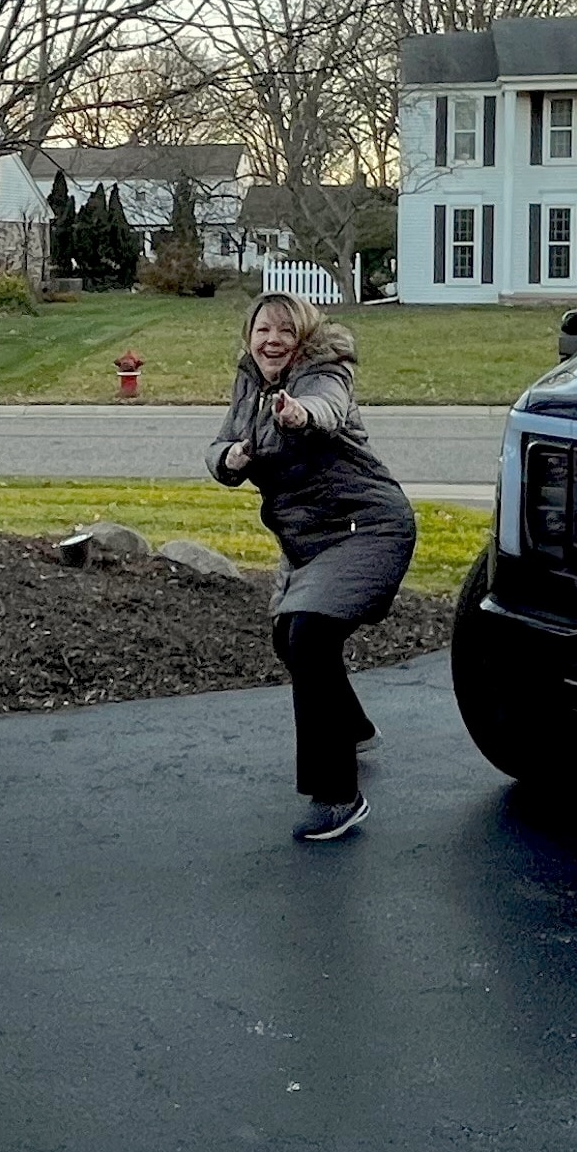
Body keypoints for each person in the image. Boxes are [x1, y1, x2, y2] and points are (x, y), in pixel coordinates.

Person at [206, 290, 417, 844]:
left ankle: (337, 796)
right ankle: (352, 728)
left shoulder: (325, 373)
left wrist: (300, 416)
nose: (272, 341)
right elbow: (223, 441)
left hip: (365, 526)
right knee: (288, 638)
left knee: (311, 635)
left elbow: (326, 408)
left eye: (284, 332)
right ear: (250, 339)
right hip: (307, 541)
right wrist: (227, 459)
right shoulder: (251, 382)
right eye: (262, 332)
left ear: (302, 339)